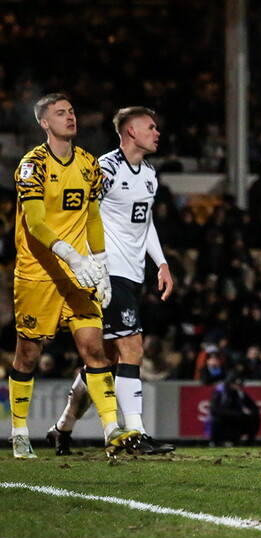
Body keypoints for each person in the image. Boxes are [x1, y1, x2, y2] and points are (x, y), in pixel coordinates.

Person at [9, 93, 140, 458]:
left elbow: (93, 216)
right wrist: (72, 255)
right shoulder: (31, 166)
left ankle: (112, 428)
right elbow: (35, 222)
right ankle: (19, 431)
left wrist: (100, 264)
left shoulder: (88, 165)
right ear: (44, 123)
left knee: (95, 350)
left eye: (71, 111)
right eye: (60, 113)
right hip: (38, 275)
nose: (70, 117)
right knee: (28, 356)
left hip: (78, 276)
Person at [47, 106, 177, 456]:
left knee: (101, 359)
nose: (157, 132)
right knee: (132, 346)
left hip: (134, 274)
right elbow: (81, 215)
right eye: (151, 127)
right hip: (108, 272)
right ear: (131, 131)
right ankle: (136, 431)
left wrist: (161, 263)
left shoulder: (149, 174)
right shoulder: (104, 168)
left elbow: (144, 222)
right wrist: (85, 263)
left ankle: (63, 426)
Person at [208, 371, 260, 447]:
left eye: (238, 385)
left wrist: (249, 413)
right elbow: (214, 410)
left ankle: (248, 442)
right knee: (216, 421)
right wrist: (234, 413)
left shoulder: (240, 393)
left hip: (236, 420)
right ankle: (216, 442)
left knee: (254, 419)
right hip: (223, 419)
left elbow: (253, 407)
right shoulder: (220, 392)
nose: (236, 387)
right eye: (234, 384)